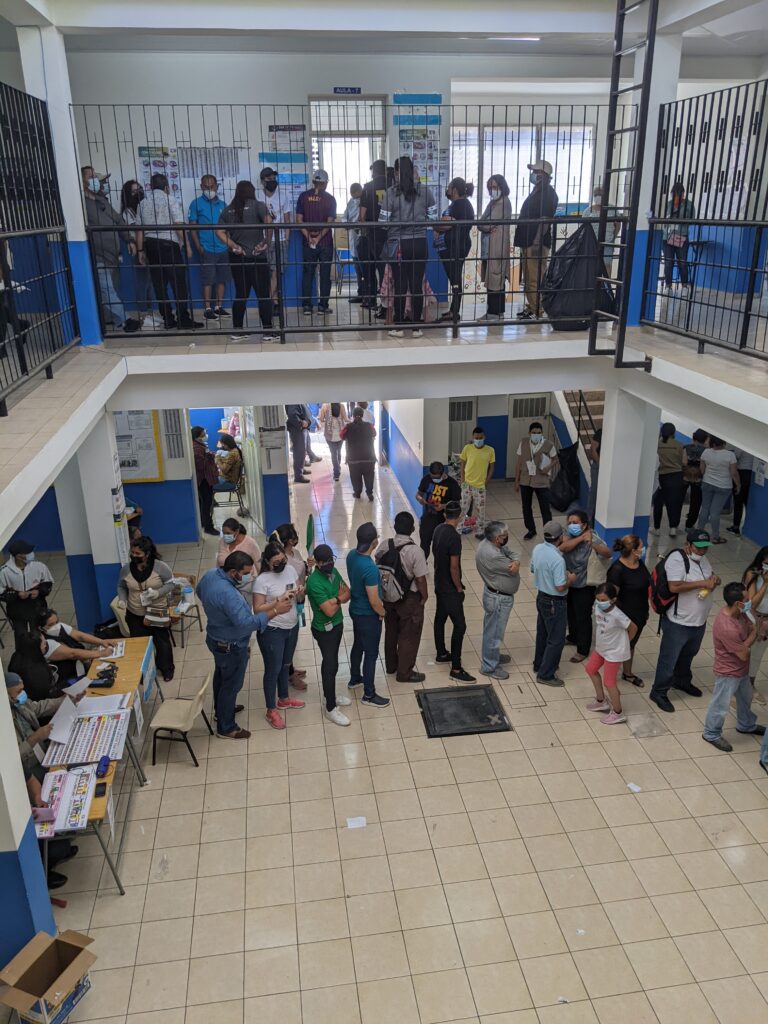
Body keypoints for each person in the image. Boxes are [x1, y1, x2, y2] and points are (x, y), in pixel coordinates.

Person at [197, 550, 293, 739]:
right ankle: (226, 727)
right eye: (247, 572)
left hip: (215, 637)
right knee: (231, 684)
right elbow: (246, 624)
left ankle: (222, 710)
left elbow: (200, 592)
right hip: (230, 645)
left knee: (221, 676)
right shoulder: (228, 594)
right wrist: (275, 610)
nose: (250, 576)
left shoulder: (210, 575)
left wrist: (217, 614)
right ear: (233, 572)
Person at [649, 529, 720, 713]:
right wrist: (703, 584)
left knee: (689, 654)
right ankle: (659, 692)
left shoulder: (703, 560)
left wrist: (714, 580)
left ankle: (681, 681)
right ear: (688, 545)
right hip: (678, 622)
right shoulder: (677, 559)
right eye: (699, 547)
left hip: (698, 621)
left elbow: (708, 577)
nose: (703, 551)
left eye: (706, 547)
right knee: (669, 659)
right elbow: (674, 586)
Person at [702, 582, 764, 751]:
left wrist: (753, 630)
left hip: (742, 670)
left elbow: (750, 627)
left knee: (745, 698)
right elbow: (744, 653)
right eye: (746, 599)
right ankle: (711, 733)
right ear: (737, 603)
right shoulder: (727, 627)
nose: (750, 601)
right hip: (729, 672)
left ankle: (746, 725)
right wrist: (755, 632)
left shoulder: (739, 613)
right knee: (720, 704)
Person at [135, 172, 201, 330]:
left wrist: (140, 251)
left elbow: (139, 230)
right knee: (179, 284)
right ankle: (183, 319)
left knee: (159, 285)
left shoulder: (142, 203)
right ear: (166, 187)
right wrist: (187, 245)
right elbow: (178, 224)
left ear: (150, 186)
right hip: (169, 245)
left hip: (150, 246)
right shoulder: (170, 199)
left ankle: (168, 320)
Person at [380, 155, 436, 339]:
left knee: (401, 286)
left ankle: (399, 326)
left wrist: (397, 224)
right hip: (420, 242)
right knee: (416, 285)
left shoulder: (391, 193)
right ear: (413, 170)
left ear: (396, 172)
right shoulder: (426, 191)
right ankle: (416, 327)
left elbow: (382, 222)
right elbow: (434, 218)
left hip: (398, 245)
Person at [216, 179, 277, 342]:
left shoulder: (228, 210)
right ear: (252, 191)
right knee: (263, 295)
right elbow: (270, 224)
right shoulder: (258, 205)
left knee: (241, 294)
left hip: (237, 258)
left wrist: (233, 245)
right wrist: (266, 242)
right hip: (257, 257)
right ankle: (268, 332)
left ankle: (237, 330)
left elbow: (219, 232)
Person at [253, 541, 306, 730]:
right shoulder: (262, 581)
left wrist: (300, 592)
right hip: (272, 630)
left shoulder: (291, 570)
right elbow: (257, 609)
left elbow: (300, 592)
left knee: (285, 665)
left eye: (282, 560)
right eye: (276, 562)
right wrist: (277, 602)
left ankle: (284, 698)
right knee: (273, 669)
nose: (281, 564)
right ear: (267, 562)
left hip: (291, 626)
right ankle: (270, 709)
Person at [82, 166, 139, 333]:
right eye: (91, 177)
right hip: (97, 255)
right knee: (107, 289)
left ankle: (109, 319)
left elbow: (119, 220)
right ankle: (124, 320)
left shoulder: (101, 200)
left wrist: (129, 239)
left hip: (112, 254)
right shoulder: (82, 205)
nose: (97, 181)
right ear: (83, 181)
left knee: (110, 289)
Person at [375, 511, 429, 683]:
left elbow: (378, 563)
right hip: (409, 599)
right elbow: (420, 579)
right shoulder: (416, 552)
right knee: (409, 635)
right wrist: (424, 597)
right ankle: (405, 673)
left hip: (388, 597)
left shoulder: (384, 545)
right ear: (413, 529)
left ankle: (391, 666)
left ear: (395, 527)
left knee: (391, 631)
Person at [116, 535, 175, 682]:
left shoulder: (161, 567)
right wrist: (122, 600)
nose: (134, 556)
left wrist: (158, 593)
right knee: (139, 645)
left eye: (138, 554)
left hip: (156, 611)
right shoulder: (126, 569)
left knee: (162, 642)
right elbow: (121, 586)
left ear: (147, 554)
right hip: (135, 613)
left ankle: (166, 669)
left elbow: (171, 584)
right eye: (133, 553)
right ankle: (144, 673)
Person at [306, 544, 353, 726]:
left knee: (334, 662)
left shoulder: (333, 572)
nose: (329, 564)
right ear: (317, 563)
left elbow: (348, 591)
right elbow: (328, 611)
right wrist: (338, 598)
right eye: (325, 562)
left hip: (338, 625)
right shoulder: (314, 582)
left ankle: (330, 694)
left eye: (331, 560)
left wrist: (336, 600)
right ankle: (330, 707)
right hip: (323, 630)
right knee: (330, 664)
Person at [346, 523, 390, 707]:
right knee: (371, 654)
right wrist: (382, 612)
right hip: (368, 615)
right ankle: (369, 695)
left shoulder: (351, 556)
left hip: (355, 609)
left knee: (358, 645)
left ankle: (355, 678)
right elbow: (374, 600)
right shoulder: (370, 568)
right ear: (374, 541)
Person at [560, 509, 612, 663]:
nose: (571, 525)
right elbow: (564, 547)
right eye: (569, 523)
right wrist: (580, 538)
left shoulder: (594, 537)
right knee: (571, 612)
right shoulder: (568, 535)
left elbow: (608, 553)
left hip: (585, 584)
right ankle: (573, 636)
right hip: (569, 582)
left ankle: (583, 649)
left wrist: (591, 542)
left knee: (582, 616)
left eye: (575, 523)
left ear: (584, 525)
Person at [432, 501, 475, 682]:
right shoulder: (454, 537)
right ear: (459, 517)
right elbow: (454, 567)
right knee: (460, 626)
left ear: (444, 514)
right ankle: (456, 669)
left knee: (440, 618)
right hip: (450, 588)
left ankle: (441, 653)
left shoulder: (438, 530)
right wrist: (458, 587)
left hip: (438, 583)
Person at [531, 521, 576, 687]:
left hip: (541, 597)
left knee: (543, 634)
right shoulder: (558, 559)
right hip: (554, 602)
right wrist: (570, 580)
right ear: (561, 538)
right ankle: (546, 674)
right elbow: (559, 586)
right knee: (556, 639)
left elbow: (532, 569)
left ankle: (539, 664)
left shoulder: (537, 549)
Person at [584, 582, 637, 726]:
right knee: (590, 669)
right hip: (602, 648)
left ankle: (618, 713)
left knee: (609, 682)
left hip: (614, 652)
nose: (600, 603)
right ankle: (601, 701)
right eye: (598, 599)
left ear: (613, 600)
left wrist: (625, 643)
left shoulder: (617, 615)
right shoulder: (597, 607)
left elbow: (633, 628)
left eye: (603, 600)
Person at [514, 158, 558, 319]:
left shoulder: (548, 194)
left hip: (535, 241)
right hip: (527, 240)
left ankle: (538, 309)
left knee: (534, 278)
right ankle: (532, 307)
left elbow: (545, 220)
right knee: (529, 278)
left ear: (544, 174)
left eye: (536, 172)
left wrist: (537, 242)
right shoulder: (537, 192)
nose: (533, 174)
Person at [476, 521, 520, 679]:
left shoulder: (488, 544)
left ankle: (493, 656)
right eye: (504, 536)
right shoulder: (493, 554)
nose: (507, 538)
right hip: (498, 598)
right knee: (494, 634)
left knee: (493, 630)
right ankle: (489, 666)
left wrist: (516, 560)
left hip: (496, 594)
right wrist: (516, 561)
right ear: (496, 539)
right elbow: (513, 565)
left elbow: (513, 554)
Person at [270, 522, 313, 689]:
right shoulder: (282, 562)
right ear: (289, 540)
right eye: (294, 536)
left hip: (299, 601)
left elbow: (301, 572)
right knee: (289, 642)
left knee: (293, 641)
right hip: (289, 605)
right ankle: (288, 676)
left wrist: (308, 567)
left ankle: (290, 668)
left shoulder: (294, 553)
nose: (297, 538)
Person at [607, 534, 651, 687]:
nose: (643, 549)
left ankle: (627, 673)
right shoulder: (617, 570)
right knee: (620, 647)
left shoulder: (640, 563)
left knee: (631, 645)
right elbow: (611, 598)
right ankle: (610, 677)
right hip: (624, 617)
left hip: (640, 613)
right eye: (641, 547)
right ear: (633, 550)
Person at [188, 174, 229, 322]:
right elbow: (192, 227)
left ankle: (218, 307)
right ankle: (207, 309)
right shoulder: (195, 204)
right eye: (206, 186)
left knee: (221, 279)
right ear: (201, 187)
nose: (209, 189)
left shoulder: (223, 205)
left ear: (217, 186)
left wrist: (229, 243)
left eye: (212, 186)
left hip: (223, 248)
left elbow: (227, 227)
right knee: (208, 280)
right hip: (206, 248)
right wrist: (198, 246)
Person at [39, 608, 117, 685]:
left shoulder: (60, 626)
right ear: (41, 628)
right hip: (68, 678)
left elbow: (80, 636)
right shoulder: (46, 643)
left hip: (82, 666)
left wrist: (102, 641)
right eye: (51, 625)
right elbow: (73, 654)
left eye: (56, 622)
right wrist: (101, 653)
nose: (56, 626)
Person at [296, 169, 337, 316]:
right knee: (325, 274)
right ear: (325, 183)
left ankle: (307, 306)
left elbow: (299, 221)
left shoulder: (303, 197)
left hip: (308, 242)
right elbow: (330, 222)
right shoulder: (330, 199)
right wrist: (319, 238)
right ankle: (323, 306)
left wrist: (309, 237)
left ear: (313, 181)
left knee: (308, 273)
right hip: (325, 242)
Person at [434, 177, 475, 323]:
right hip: (452, 246)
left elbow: (446, 224)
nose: (448, 190)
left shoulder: (460, 204)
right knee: (454, 279)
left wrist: (437, 225)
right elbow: (445, 223)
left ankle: (455, 312)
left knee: (455, 279)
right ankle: (453, 310)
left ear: (455, 190)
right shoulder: (459, 204)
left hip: (455, 247)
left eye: (450, 187)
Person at [120, 179, 159, 328]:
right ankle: (144, 314)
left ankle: (150, 313)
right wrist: (140, 250)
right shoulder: (128, 212)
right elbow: (137, 231)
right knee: (143, 283)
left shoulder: (145, 207)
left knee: (150, 282)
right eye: (135, 191)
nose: (139, 193)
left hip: (151, 246)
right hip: (138, 248)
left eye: (140, 190)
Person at [0, 540, 53, 637]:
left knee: (40, 634)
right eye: (27, 552)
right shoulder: (4, 572)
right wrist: (17, 595)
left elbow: (48, 584)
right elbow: (1, 593)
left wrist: (39, 591)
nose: (31, 554)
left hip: (38, 606)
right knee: (21, 636)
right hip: (17, 610)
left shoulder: (39, 566)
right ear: (18, 556)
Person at [515, 422, 559, 540]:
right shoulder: (524, 442)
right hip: (526, 480)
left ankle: (548, 531)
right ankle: (531, 529)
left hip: (542, 480)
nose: (536, 435)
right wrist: (517, 480)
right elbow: (519, 462)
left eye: (538, 433)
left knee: (545, 508)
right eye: (534, 433)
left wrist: (548, 467)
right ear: (529, 433)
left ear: (542, 433)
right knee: (526, 507)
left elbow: (555, 459)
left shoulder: (548, 444)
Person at [478, 174, 511, 321]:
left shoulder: (504, 202)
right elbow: (481, 223)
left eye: (495, 187)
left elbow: (487, 223)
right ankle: (494, 312)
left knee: (496, 278)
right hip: (490, 245)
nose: (492, 190)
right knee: (492, 278)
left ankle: (495, 313)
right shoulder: (493, 203)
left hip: (497, 246)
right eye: (490, 188)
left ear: (502, 187)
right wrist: (484, 225)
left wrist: (484, 225)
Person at [259, 167, 293, 312]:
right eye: (269, 179)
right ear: (262, 181)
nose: (272, 181)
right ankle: (272, 300)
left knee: (276, 270)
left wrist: (287, 238)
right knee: (266, 272)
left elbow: (287, 219)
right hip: (263, 239)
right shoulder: (257, 197)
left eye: (274, 178)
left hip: (279, 239)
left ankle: (271, 301)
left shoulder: (283, 196)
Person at [697, 436, 740, 544]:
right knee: (715, 512)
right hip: (723, 486)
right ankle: (715, 537)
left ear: (712, 443)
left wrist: (707, 477)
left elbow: (702, 469)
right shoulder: (730, 455)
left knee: (705, 508)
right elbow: (734, 473)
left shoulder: (706, 452)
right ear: (724, 443)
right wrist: (738, 485)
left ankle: (699, 533)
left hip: (707, 483)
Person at [358, 160, 388, 309]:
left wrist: (364, 231)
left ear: (373, 172)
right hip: (389, 234)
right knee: (386, 269)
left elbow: (361, 216)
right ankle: (386, 304)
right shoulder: (393, 186)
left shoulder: (367, 188)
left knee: (369, 268)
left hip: (372, 233)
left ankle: (370, 300)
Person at [416, 461, 461, 558]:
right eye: (432, 477)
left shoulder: (452, 484)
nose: (433, 479)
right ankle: (423, 564)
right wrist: (420, 499)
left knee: (441, 548)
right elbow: (418, 494)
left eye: (436, 478)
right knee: (424, 544)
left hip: (444, 520)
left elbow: (457, 504)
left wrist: (443, 506)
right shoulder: (427, 479)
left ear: (442, 474)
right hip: (428, 518)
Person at [651, 422, 687, 537]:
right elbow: (685, 462)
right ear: (674, 432)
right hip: (676, 476)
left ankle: (656, 529)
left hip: (660, 476)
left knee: (658, 503)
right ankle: (673, 528)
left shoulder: (656, 444)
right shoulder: (680, 445)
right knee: (674, 503)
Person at [459, 426, 495, 539]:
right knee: (463, 508)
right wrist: (463, 480)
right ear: (473, 437)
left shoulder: (490, 450)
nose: (478, 440)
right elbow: (462, 464)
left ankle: (480, 531)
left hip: (480, 486)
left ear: (484, 437)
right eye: (476, 438)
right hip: (467, 485)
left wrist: (486, 482)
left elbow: (492, 467)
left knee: (481, 510)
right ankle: (458, 529)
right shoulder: (467, 448)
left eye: (480, 437)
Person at [742, 548, 768, 701]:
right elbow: (753, 604)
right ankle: (738, 686)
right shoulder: (752, 574)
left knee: (758, 655)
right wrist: (765, 584)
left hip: (766, 622)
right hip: (752, 619)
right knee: (746, 654)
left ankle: (750, 684)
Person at [662, 182, 696, 290]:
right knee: (668, 263)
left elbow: (691, 219)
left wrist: (679, 215)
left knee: (682, 263)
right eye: (674, 194)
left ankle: (684, 286)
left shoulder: (689, 205)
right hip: (667, 237)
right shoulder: (668, 204)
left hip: (681, 236)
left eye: (679, 194)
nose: (676, 196)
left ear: (683, 194)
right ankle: (668, 286)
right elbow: (664, 218)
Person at [216, 518, 262, 596]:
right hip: (227, 582)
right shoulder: (222, 541)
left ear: (237, 532)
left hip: (245, 584)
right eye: (224, 533)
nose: (225, 536)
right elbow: (218, 562)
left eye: (228, 533)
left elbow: (259, 565)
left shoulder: (250, 543)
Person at [8, 632, 58, 701]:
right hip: (41, 701)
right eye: (44, 643)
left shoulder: (16, 655)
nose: (45, 645)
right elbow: (45, 693)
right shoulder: (38, 672)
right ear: (36, 648)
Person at [341, 406, 377, 500]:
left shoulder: (348, 427)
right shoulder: (369, 425)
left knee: (355, 476)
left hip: (353, 459)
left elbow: (342, 436)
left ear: (352, 416)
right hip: (369, 457)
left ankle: (357, 493)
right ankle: (369, 493)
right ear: (362, 415)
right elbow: (374, 433)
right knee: (369, 476)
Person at [191, 425, 219, 536]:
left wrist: (208, 455)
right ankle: (208, 526)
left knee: (205, 502)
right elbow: (200, 466)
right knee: (206, 503)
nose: (205, 435)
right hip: (204, 480)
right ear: (198, 435)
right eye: (203, 434)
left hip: (204, 479)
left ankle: (204, 522)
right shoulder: (197, 448)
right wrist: (209, 457)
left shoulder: (199, 445)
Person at [342, 183, 364, 302]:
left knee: (365, 268)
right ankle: (360, 293)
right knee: (358, 268)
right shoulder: (351, 202)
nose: (354, 196)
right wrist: (348, 223)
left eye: (356, 194)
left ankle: (367, 295)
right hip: (353, 236)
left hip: (363, 237)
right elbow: (345, 217)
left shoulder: (365, 200)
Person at [683, 428, 708, 530]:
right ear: (705, 439)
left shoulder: (686, 447)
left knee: (679, 499)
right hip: (699, 478)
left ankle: (674, 525)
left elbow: (684, 462)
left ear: (694, 437)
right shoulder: (706, 451)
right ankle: (689, 525)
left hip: (685, 476)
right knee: (695, 503)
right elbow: (704, 467)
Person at [318, 402, 349, 481]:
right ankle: (337, 469)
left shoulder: (325, 406)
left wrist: (327, 419)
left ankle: (336, 473)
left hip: (329, 435)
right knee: (338, 452)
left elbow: (321, 419)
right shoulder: (341, 406)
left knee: (333, 453)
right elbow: (346, 419)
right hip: (340, 434)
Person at [728, 448, 754, 537]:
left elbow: (736, 456)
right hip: (752, 474)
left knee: (738, 501)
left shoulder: (742, 445)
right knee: (747, 502)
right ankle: (746, 527)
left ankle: (736, 527)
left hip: (741, 473)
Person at [285, 404, 312, 484]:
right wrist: (301, 423)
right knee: (299, 452)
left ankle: (301, 469)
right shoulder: (293, 400)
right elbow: (292, 415)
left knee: (302, 451)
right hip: (297, 429)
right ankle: (298, 475)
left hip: (299, 429)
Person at [586, 428, 602, 527]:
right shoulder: (601, 432)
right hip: (598, 467)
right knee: (594, 495)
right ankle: (589, 524)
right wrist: (601, 465)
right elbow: (593, 450)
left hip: (609, 470)